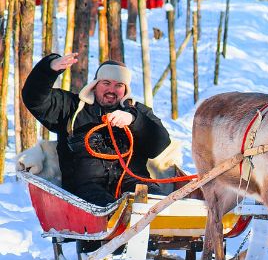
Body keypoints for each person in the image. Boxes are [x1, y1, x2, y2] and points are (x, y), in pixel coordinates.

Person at [22, 52, 171, 206]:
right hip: (86, 189)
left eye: (118, 85)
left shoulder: (137, 112)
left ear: (125, 89)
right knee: (111, 211)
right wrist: (48, 69)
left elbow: (160, 144)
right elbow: (34, 98)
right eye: (106, 83)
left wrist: (134, 121)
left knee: (161, 205)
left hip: (134, 183)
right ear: (95, 84)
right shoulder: (70, 107)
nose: (111, 90)